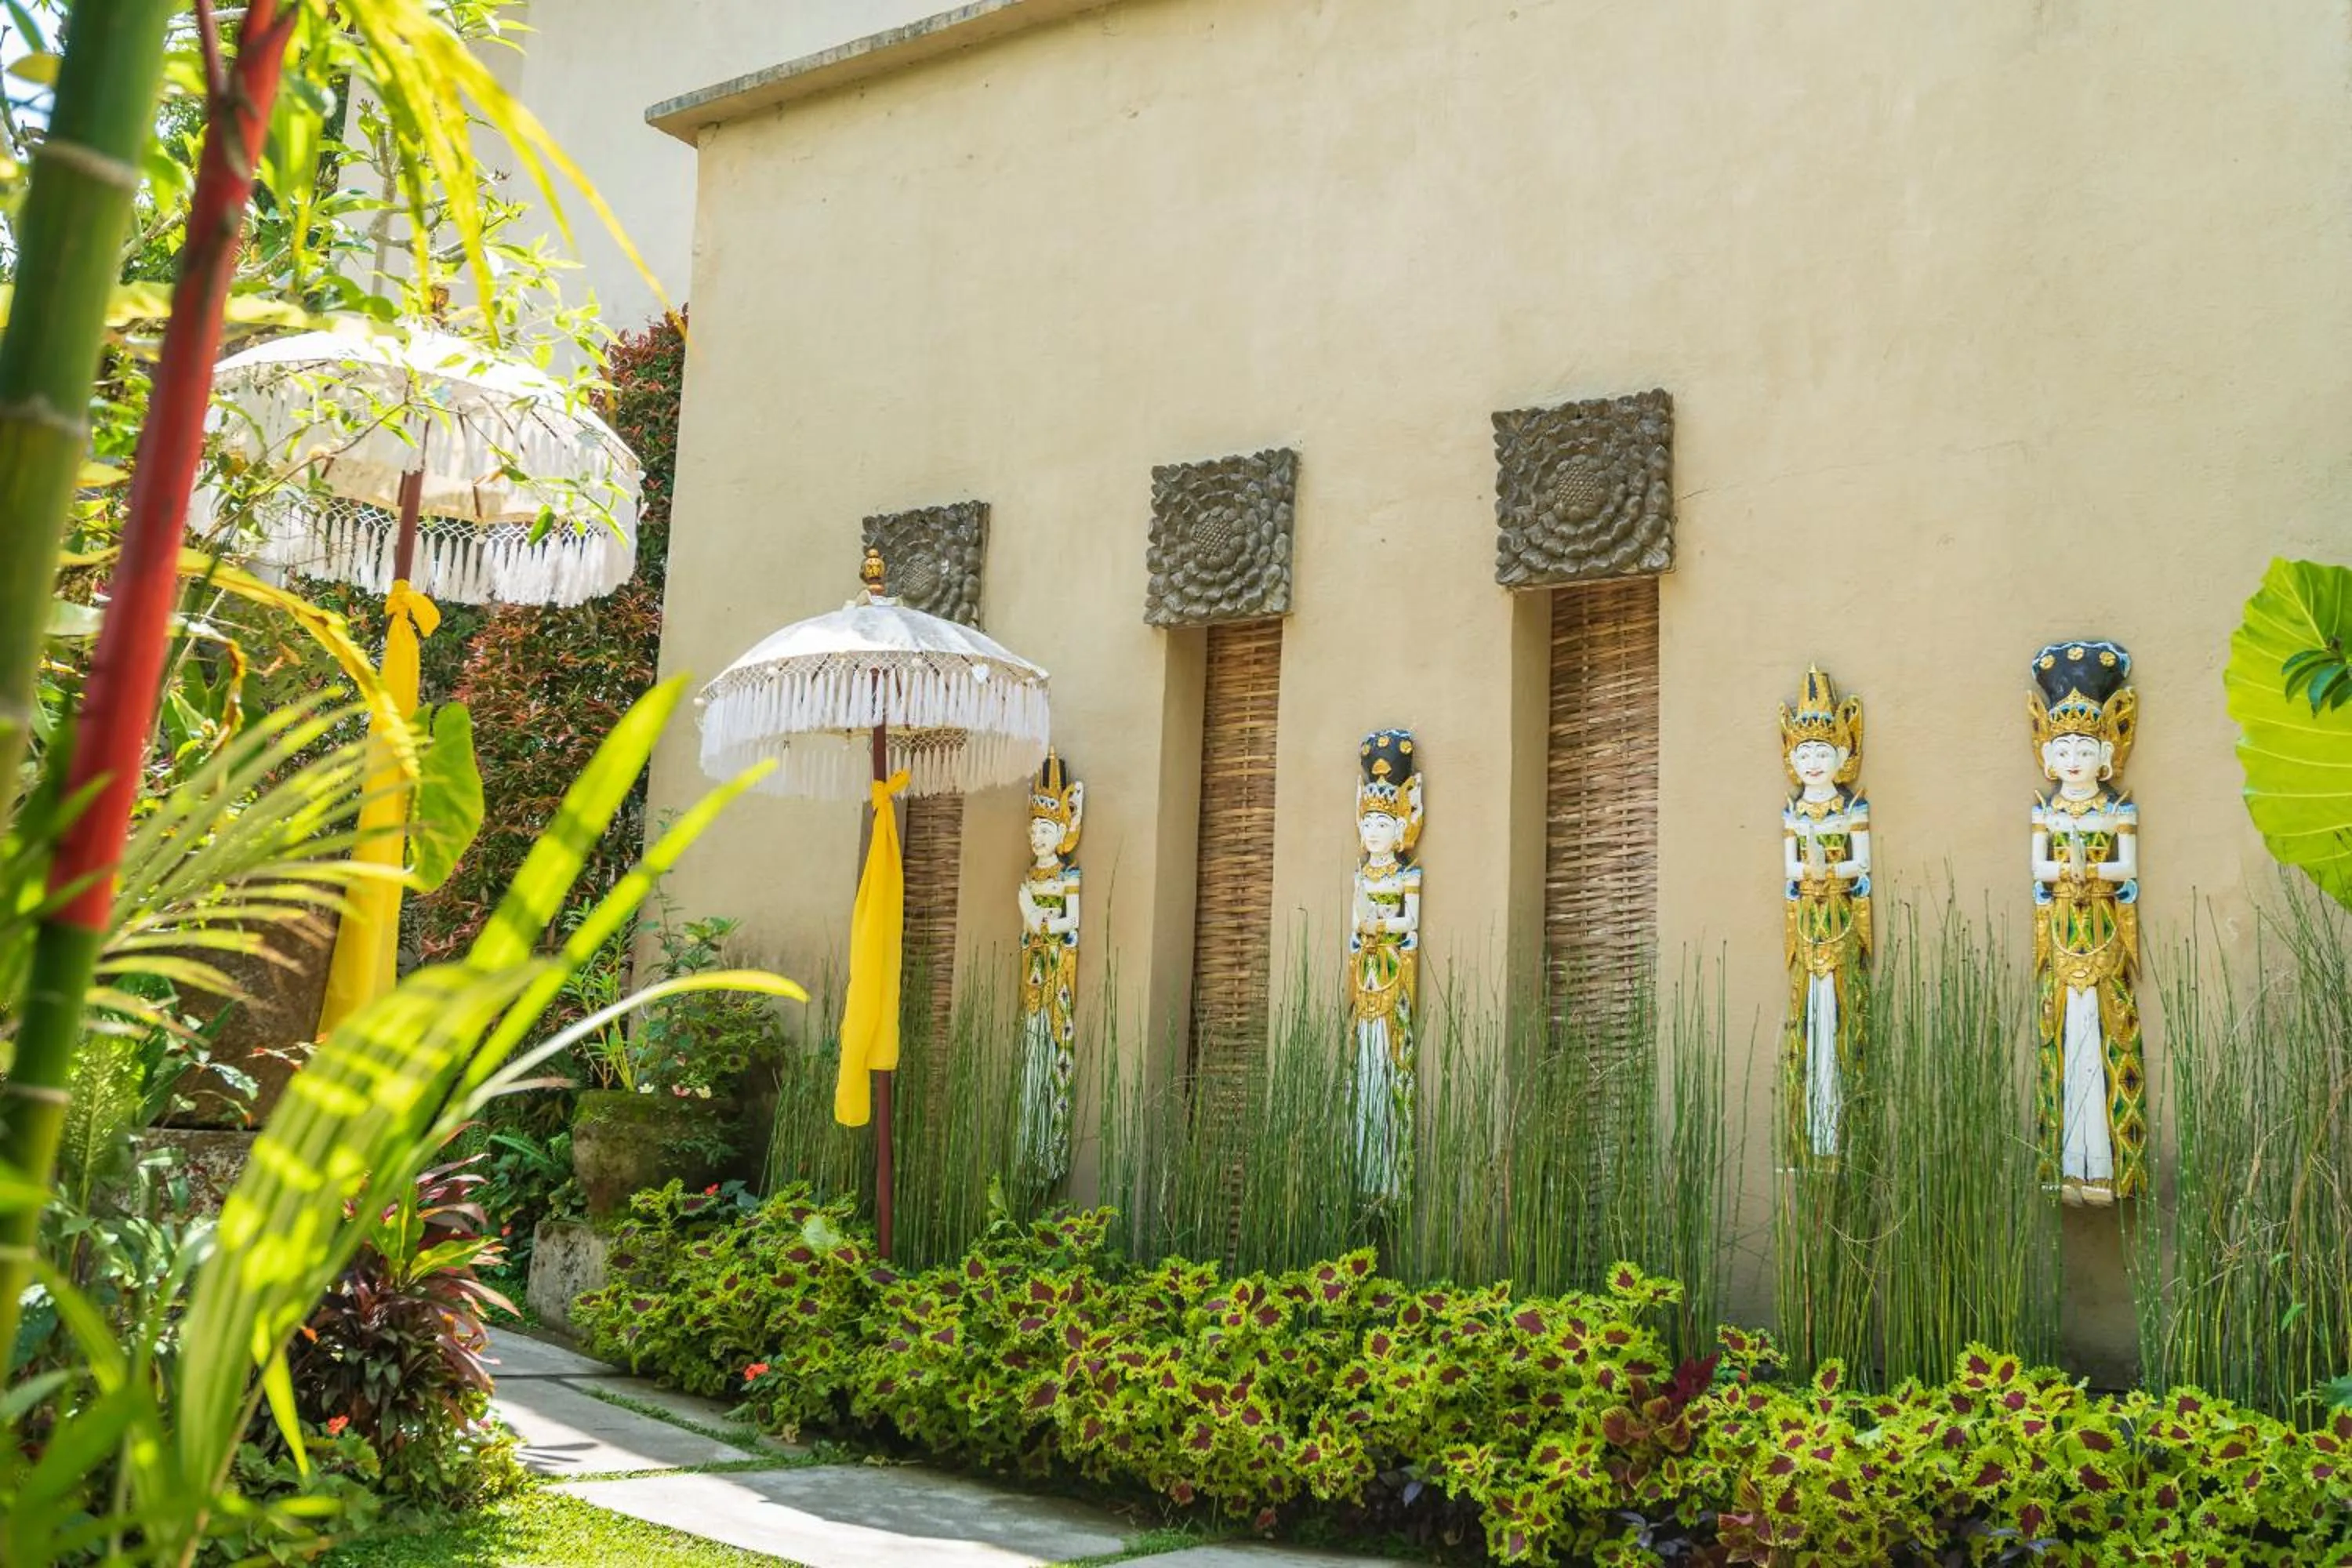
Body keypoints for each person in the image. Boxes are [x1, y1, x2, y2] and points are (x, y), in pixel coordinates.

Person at [2027, 641, 2144, 1205]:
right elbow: (2039, 867)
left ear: (2106, 754)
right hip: (2062, 934)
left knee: (2105, 1035)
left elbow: (2126, 868)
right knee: (2065, 1037)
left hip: (2101, 930)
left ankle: (2106, 1166)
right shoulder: (2046, 811)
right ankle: (2069, 1165)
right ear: (2048, 756)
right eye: (2063, 748)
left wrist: (2088, 871)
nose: (2072, 759)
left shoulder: (2117, 809)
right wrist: (2066, 872)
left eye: (2083, 748)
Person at [1778, 668, 1871, 1164]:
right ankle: (1813, 1139)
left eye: (1822, 753)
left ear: (1842, 755)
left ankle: (1843, 1137)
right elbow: (1790, 867)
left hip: (1839, 917)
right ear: (1791, 758)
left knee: (1841, 1013)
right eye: (1805, 754)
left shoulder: (1852, 808)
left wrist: (1828, 870)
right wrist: (1810, 871)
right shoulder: (1793, 814)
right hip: (1808, 924)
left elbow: (1861, 864)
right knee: (1811, 1017)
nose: (1813, 763)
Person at [1349, 729, 1423, 1200]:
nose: (1374, 831)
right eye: (1368, 822)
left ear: (1401, 829)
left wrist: (1380, 924)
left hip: (1393, 971)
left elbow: (1409, 920)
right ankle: (1364, 1172)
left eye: (1383, 822)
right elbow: (1355, 921)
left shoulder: (1407, 873)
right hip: (1366, 973)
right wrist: (1369, 926)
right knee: (1365, 1065)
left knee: (1391, 1060)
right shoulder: (1361, 875)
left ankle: (1391, 1175)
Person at [1017, 751, 1083, 1182]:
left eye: (1046, 829)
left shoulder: (1069, 875)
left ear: (1062, 832)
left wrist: (1041, 920)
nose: (1038, 837)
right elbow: (1028, 914)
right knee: (1032, 1051)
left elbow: (1071, 920)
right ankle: (1028, 1147)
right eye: (1035, 829)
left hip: (1058, 970)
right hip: (1034, 971)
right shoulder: (1030, 878)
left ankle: (1051, 1152)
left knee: (1055, 1050)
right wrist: (1037, 918)